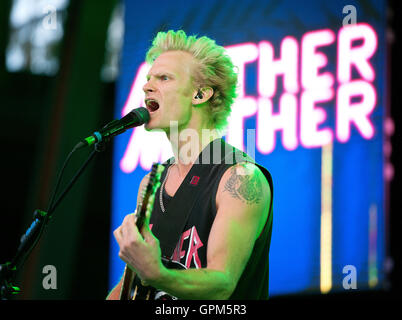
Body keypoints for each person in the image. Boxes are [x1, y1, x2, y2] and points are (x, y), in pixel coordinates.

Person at [107, 30, 273, 300]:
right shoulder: (152, 184)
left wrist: (157, 273)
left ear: (200, 94)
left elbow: (221, 283)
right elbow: (129, 287)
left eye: (163, 78)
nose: (146, 86)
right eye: (148, 78)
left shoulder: (240, 178)